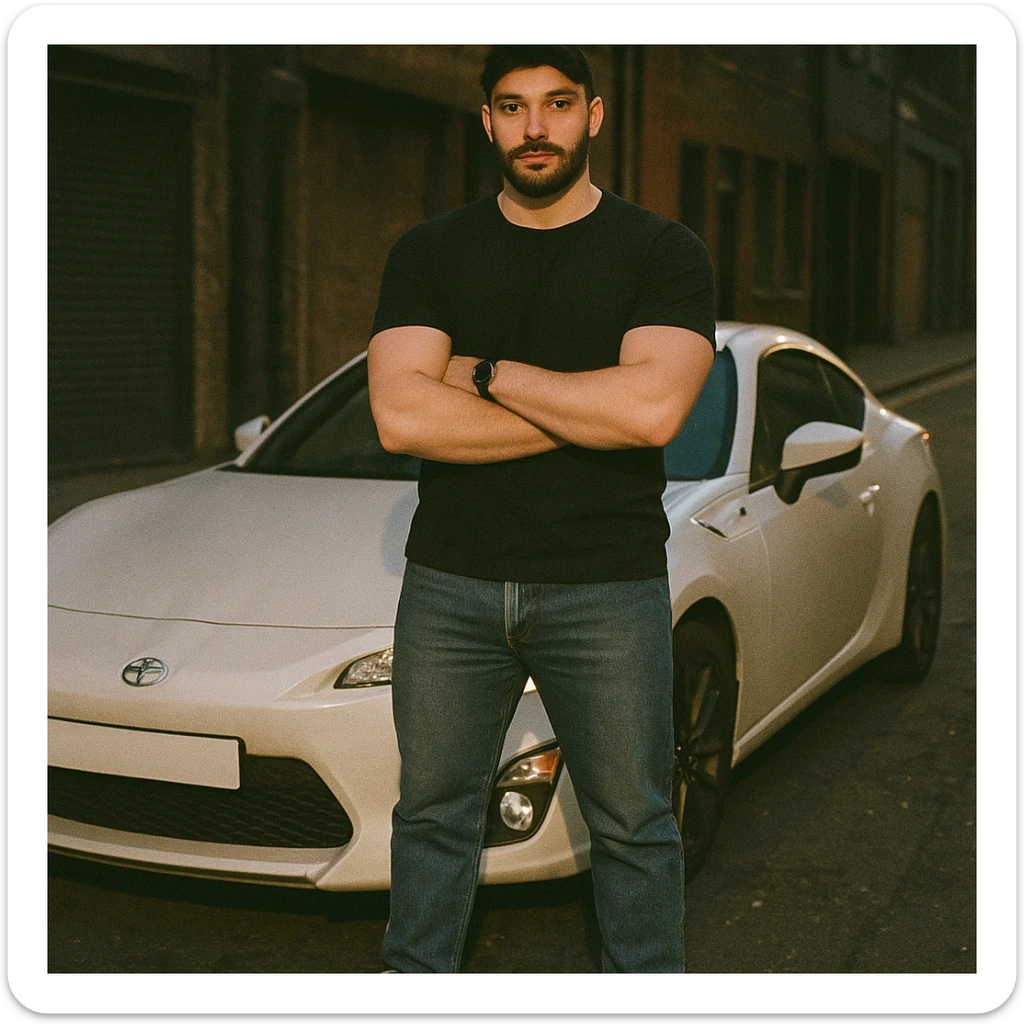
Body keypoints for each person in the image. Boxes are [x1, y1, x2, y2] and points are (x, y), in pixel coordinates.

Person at [367, 44, 716, 973]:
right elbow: (401, 415)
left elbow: (652, 413)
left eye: (558, 104)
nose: (535, 127)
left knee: (634, 823)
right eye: (513, 106)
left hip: (605, 585)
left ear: (593, 116)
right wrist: (592, 409)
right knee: (431, 817)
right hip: (451, 583)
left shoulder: (661, 251)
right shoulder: (430, 251)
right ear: (486, 121)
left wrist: (483, 374)